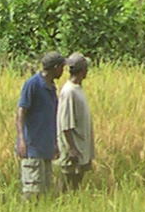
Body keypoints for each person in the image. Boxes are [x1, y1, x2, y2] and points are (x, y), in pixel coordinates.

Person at [17, 51, 64, 199]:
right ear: (56, 67)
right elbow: (20, 113)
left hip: (46, 149)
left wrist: (55, 143)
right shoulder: (33, 84)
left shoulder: (51, 87)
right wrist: (21, 140)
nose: (63, 71)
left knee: (45, 192)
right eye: (62, 67)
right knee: (32, 192)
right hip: (33, 149)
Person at [56, 53, 95, 192]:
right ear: (83, 71)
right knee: (68, 183)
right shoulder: (68, 92)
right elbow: (65, 123)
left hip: (81, 147)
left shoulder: (77, 89)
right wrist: (72, 148)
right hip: (74, 148)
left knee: (76, 185)